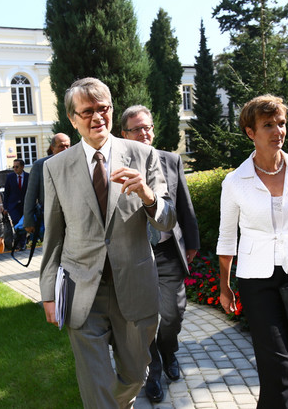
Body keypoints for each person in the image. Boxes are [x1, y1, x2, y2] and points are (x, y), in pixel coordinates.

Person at [39, 77, 176, 408]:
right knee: (95, 385)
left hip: (134, 286)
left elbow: (167, 219)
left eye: (103, 108)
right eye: (87, 111)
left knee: (135, 376)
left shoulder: (143, 155)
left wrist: (147, 195)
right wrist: (47, 294)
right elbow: (53, 236)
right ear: (72, 119)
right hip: (83, 289)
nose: (97, 117)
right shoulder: (57, 167)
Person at [216, 95, 288, 409]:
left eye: (281, 123)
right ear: (251, 132)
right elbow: (227, 240)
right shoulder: (235, 181)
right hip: (257, 281)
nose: (278, 130)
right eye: (268, 125)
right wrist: (225, 287)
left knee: (284, 364)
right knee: (276, 363)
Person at [121, 105, 200, 403]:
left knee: (172, 316)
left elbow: (184, 205)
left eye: (147, 127)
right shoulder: (118, 167)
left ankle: (170, 349)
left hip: (167, 251)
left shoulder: (171, 160)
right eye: (136, 129)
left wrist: (191, 243)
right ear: (124, 134)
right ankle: (153, 370)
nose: (144, 133)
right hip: (135, 254)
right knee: (143, 319)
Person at [23, 133, 71, 234]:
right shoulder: (40, 165)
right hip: (50, 218)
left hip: (72, 217)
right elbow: (30, 195)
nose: (65, 149)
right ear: (52, 148)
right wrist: (28, 221)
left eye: (67, 146)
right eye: (61, 146)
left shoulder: (74, 164)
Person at [4, 158, 29, 249]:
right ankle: (20, 242)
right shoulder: (10, 177)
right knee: (16, 223)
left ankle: (22, 243)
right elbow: (6, 193)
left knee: (24, 223)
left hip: (24, 205)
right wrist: (5, 207)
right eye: (13, 167)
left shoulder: (28, 176)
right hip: (13, 205)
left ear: (22, 167)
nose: (15, 169)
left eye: (17, 167)